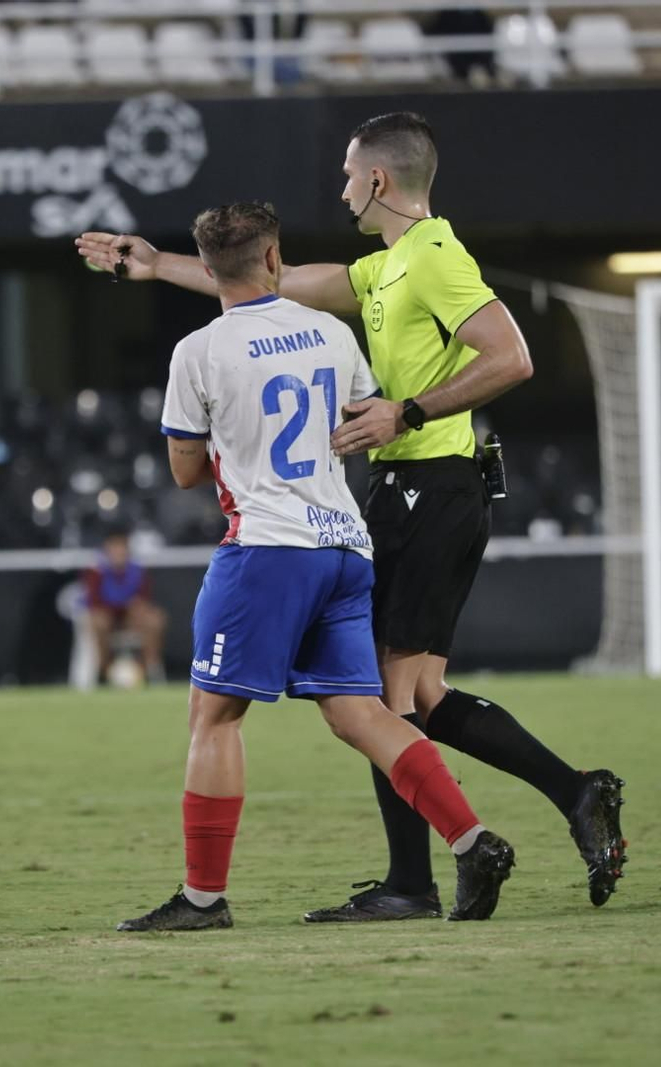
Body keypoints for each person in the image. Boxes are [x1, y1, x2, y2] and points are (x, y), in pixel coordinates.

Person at [78, 112, 627, 920]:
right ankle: (556, 800)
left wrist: (408, 411)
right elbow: (271, 286)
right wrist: (160, 266)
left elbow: (512, 356)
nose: (338, 188)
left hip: (429, 484)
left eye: (346, 174)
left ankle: (431, 872)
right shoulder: (386, 267)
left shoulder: (435, 258)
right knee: (407, 697)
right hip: (387, 503)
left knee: (388, 699)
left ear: (378, 180)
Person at [116, 202, 514, 932]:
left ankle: (203, 899)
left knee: (214, 715)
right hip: (344, 544)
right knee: (360, 712)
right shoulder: (332, 332)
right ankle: (471, 837)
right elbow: (357, 424)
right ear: (274, 259)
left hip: (266, 549)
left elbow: (184, 469)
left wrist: (239, 444)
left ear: (206, 269)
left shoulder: (199, 352)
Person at [81, 528, 167, 685]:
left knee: (154, 619)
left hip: (130, 617)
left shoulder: (137, 570)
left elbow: (144, 598)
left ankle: (148, 669)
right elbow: (92, 602)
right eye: (114, 548)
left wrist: (136, 606)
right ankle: (105, 671)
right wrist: (116, 604)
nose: (118, 552)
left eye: (122, 547)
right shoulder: (96, 571)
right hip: (107, 617)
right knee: (99, 621)